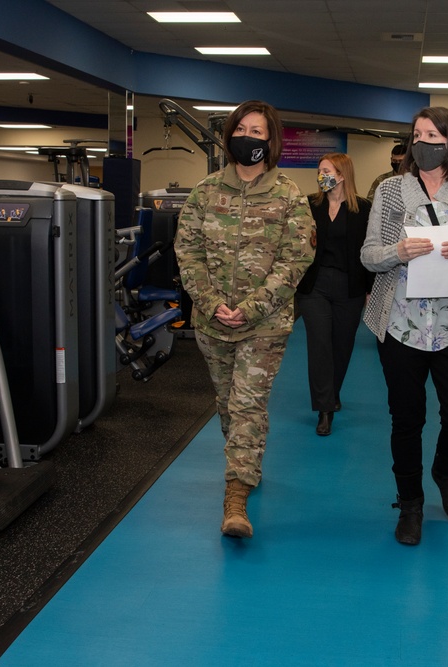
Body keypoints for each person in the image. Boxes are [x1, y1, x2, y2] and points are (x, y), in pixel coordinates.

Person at [174, 100, 315, 539]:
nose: (249, 138)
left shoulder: (289, 195)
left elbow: (297, 259)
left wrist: (252, 307)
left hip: (265, 323)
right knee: (226, 405)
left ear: (271, 141)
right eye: (243, 129)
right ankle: (246, 461)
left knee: (247, 403)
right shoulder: (205, 192)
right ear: (230, 134)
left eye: (259, 132)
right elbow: (188, 252)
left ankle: (236, 497)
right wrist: (212, 301)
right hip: (212, 321)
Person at [361, 106, 448, 546]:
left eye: (433, 135)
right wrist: (397, 251)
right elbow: (368, 255)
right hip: (400, 324)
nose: (423, 143)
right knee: (406, 419)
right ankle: (411, 502)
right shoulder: (391, 192)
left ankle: (445, 471)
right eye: (417, 134)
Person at [296, 153, 374, 436]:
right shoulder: (308, 205)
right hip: (314, 287)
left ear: (341, 175)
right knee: (319, 345)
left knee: (342, 346)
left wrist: (369, 288)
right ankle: (324, 408)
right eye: (319, 171)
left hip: (349, 286)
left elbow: (368, 251)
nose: (321, 176)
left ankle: (332, 394)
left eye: (326, 171)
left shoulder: (363, 209)